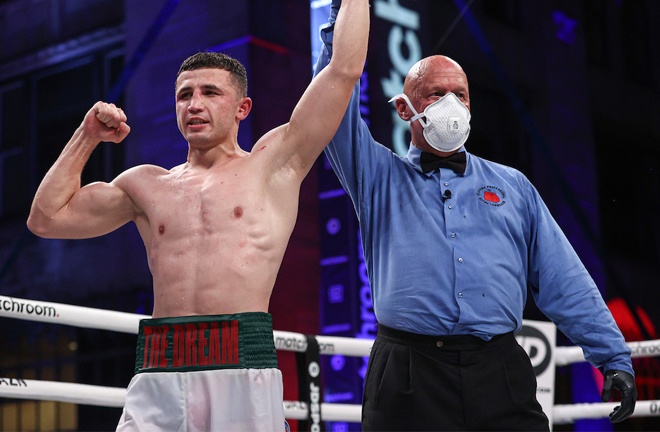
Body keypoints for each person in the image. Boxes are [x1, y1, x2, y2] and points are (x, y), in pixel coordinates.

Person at [26, 1, 369, 430]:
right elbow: (46, 218)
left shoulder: (273, 164)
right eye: (184, 95)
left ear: (242, 108)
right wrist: (87, 136)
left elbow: (343, 72)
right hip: (158, 367)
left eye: (210, 92)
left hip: (241, 363)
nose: (194, 104)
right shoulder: (146, 185)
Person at [315, 1, 637, 431]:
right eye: (435, 93)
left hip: (499, 369)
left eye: (460, 94)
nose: (450, 103)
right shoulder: (378, 177)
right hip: (409, 371)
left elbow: (564, 277)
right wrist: (343, 16)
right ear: (405, 108)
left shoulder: (513, 187)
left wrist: (612, 357)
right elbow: (331, 99)